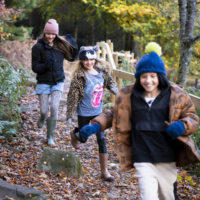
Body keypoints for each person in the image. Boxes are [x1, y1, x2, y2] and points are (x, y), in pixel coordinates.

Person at [79, 42, 200, 199]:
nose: (148, 80)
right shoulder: (130, 95)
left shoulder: (176, 94)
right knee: (148, 196)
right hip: (142, 157)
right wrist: (95, 126)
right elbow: (113, 114)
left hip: (166, 157)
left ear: (160, 76)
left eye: (152, 76)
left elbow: (192, 117)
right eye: (144, 76)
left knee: (168, 196)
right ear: (138, 77)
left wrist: (181, 126)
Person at [67, 45, 118, 181]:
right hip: (84, 111)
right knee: (83, 138)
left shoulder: (102, 73)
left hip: (98, 113)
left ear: (95, 59)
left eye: (91, 59)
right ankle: (74, 134)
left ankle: (104, 171)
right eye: (86, 60)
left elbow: (111, 83)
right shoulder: (80, 76)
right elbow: (72, 96)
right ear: (81, 61)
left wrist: (117, 92)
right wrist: (70, 115)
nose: (89, 62)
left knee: (101, 139)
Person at [32, 19, 78, 146]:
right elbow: (35, 67)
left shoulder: (60, 46)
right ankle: (42, 117)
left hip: (58, 81)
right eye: (48, 34)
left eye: (53, 34)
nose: (51, 37)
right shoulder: (38, 47)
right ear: (44, 33)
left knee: (54, 107)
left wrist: (74, 44)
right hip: (43, 82)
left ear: (56, 34)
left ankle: (50, 137)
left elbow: (72, 58)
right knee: (43, 110)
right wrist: (45, 66)